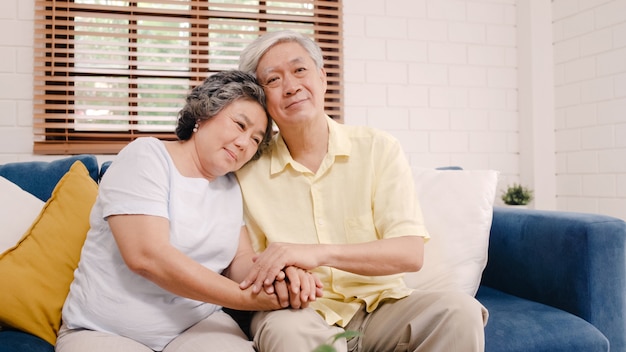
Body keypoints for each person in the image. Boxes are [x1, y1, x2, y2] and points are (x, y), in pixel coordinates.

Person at [235, 31, 489, 352]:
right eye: (273, 79)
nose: (291, 86)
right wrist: (280, 276)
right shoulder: (245, 166)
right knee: (289, 334)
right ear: (261, 97)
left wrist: (317, 252)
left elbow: (409, 253)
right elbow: (240, 263)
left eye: (300, 70)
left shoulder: (377, 148)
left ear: (322, 78)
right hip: (299, 311)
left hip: (382, 304)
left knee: (459, 311)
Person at [56, 70, 321, 352]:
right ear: (204, 114)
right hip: (106, 331)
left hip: (196, 326)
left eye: (256, 139)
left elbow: (239, 262)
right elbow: (146, 257)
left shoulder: (230, 186)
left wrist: (280, 278)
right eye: (239, 125)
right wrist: (246, 300)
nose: (245, 143)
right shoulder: (147, 156)